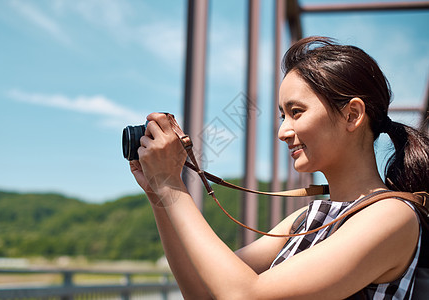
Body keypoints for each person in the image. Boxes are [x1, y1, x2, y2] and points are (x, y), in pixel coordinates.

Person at [130, 36, 429, 299]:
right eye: (282, 115)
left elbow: (247, 294)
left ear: (352, 115)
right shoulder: (308, 218)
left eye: (296, 112)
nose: (283, 131)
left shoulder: (393, 215)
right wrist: (160, 193)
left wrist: (172, 184)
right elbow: (201, 292)